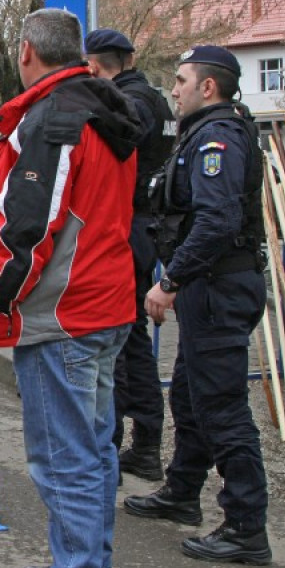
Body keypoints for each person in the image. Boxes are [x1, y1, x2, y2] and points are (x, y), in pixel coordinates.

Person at [0, 8, 139, 568]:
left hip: (64, 315)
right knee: (94, 449)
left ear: (27, 51)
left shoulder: (53, 117)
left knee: (65, 457)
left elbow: (29, 225)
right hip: (104, 302)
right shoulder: (102, 108)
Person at [124, 45, 271, 566]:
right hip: (209, 288)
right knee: (189, 395)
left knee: (223, 407)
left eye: (182, 80)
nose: (175, 89)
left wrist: (171, 281)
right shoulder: (205, 132)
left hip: (218, 288)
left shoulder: (218, 138)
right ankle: (182, 492)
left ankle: (246, 525)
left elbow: (217, 221)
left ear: (208, 87)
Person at [84, 28, 177, 481]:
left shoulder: (125, 104)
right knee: (133, 337)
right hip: (150, 226)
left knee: (119, 341)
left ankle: (117, 446)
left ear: (96, 66)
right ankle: (145, 444)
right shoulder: (157, 100)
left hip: (127, 225)